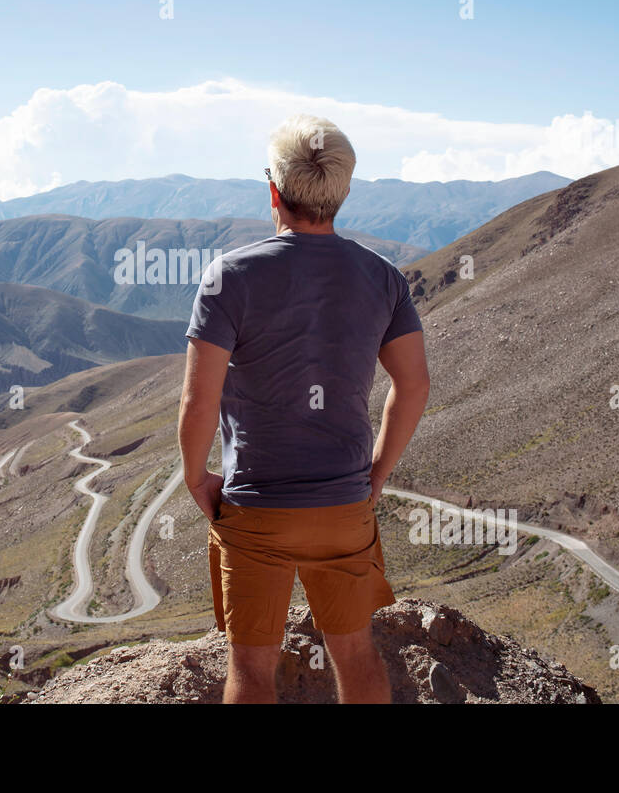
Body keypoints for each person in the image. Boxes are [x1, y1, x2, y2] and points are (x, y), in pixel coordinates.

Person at [177, 114, 430, 704]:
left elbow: (198, 400)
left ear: (274, 191)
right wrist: (376, 475)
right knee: (357, 653)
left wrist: (196, 478)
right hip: (343, 505)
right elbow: (413, 386)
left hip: (255, 507)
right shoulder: (383, 278)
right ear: (341, 193)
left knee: (251, 670)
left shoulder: (230, 276)